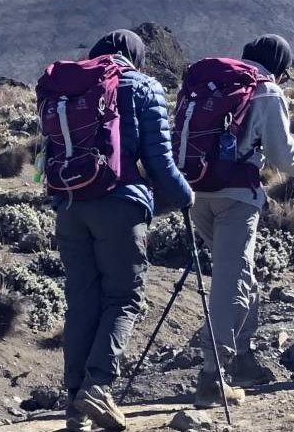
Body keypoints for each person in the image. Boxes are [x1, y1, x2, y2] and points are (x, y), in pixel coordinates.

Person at [52, 30, 192, 432]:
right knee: (124, 298)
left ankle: (75, 407)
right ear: (136, 57)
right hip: (118, 205)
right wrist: (185, 197)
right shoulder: (144, 87)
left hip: (70, 207)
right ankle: (97, 386)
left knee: (81, 302)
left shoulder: (68, 90)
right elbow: (160, 163)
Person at [187, 34, 294, 407]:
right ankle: (212, 377)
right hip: (236, 199)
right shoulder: (266, 92)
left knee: (238, 274)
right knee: (230, 283)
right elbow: (287, 162)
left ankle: (243, 360)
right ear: (280, 68)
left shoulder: (209, 85)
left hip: (197, 193)